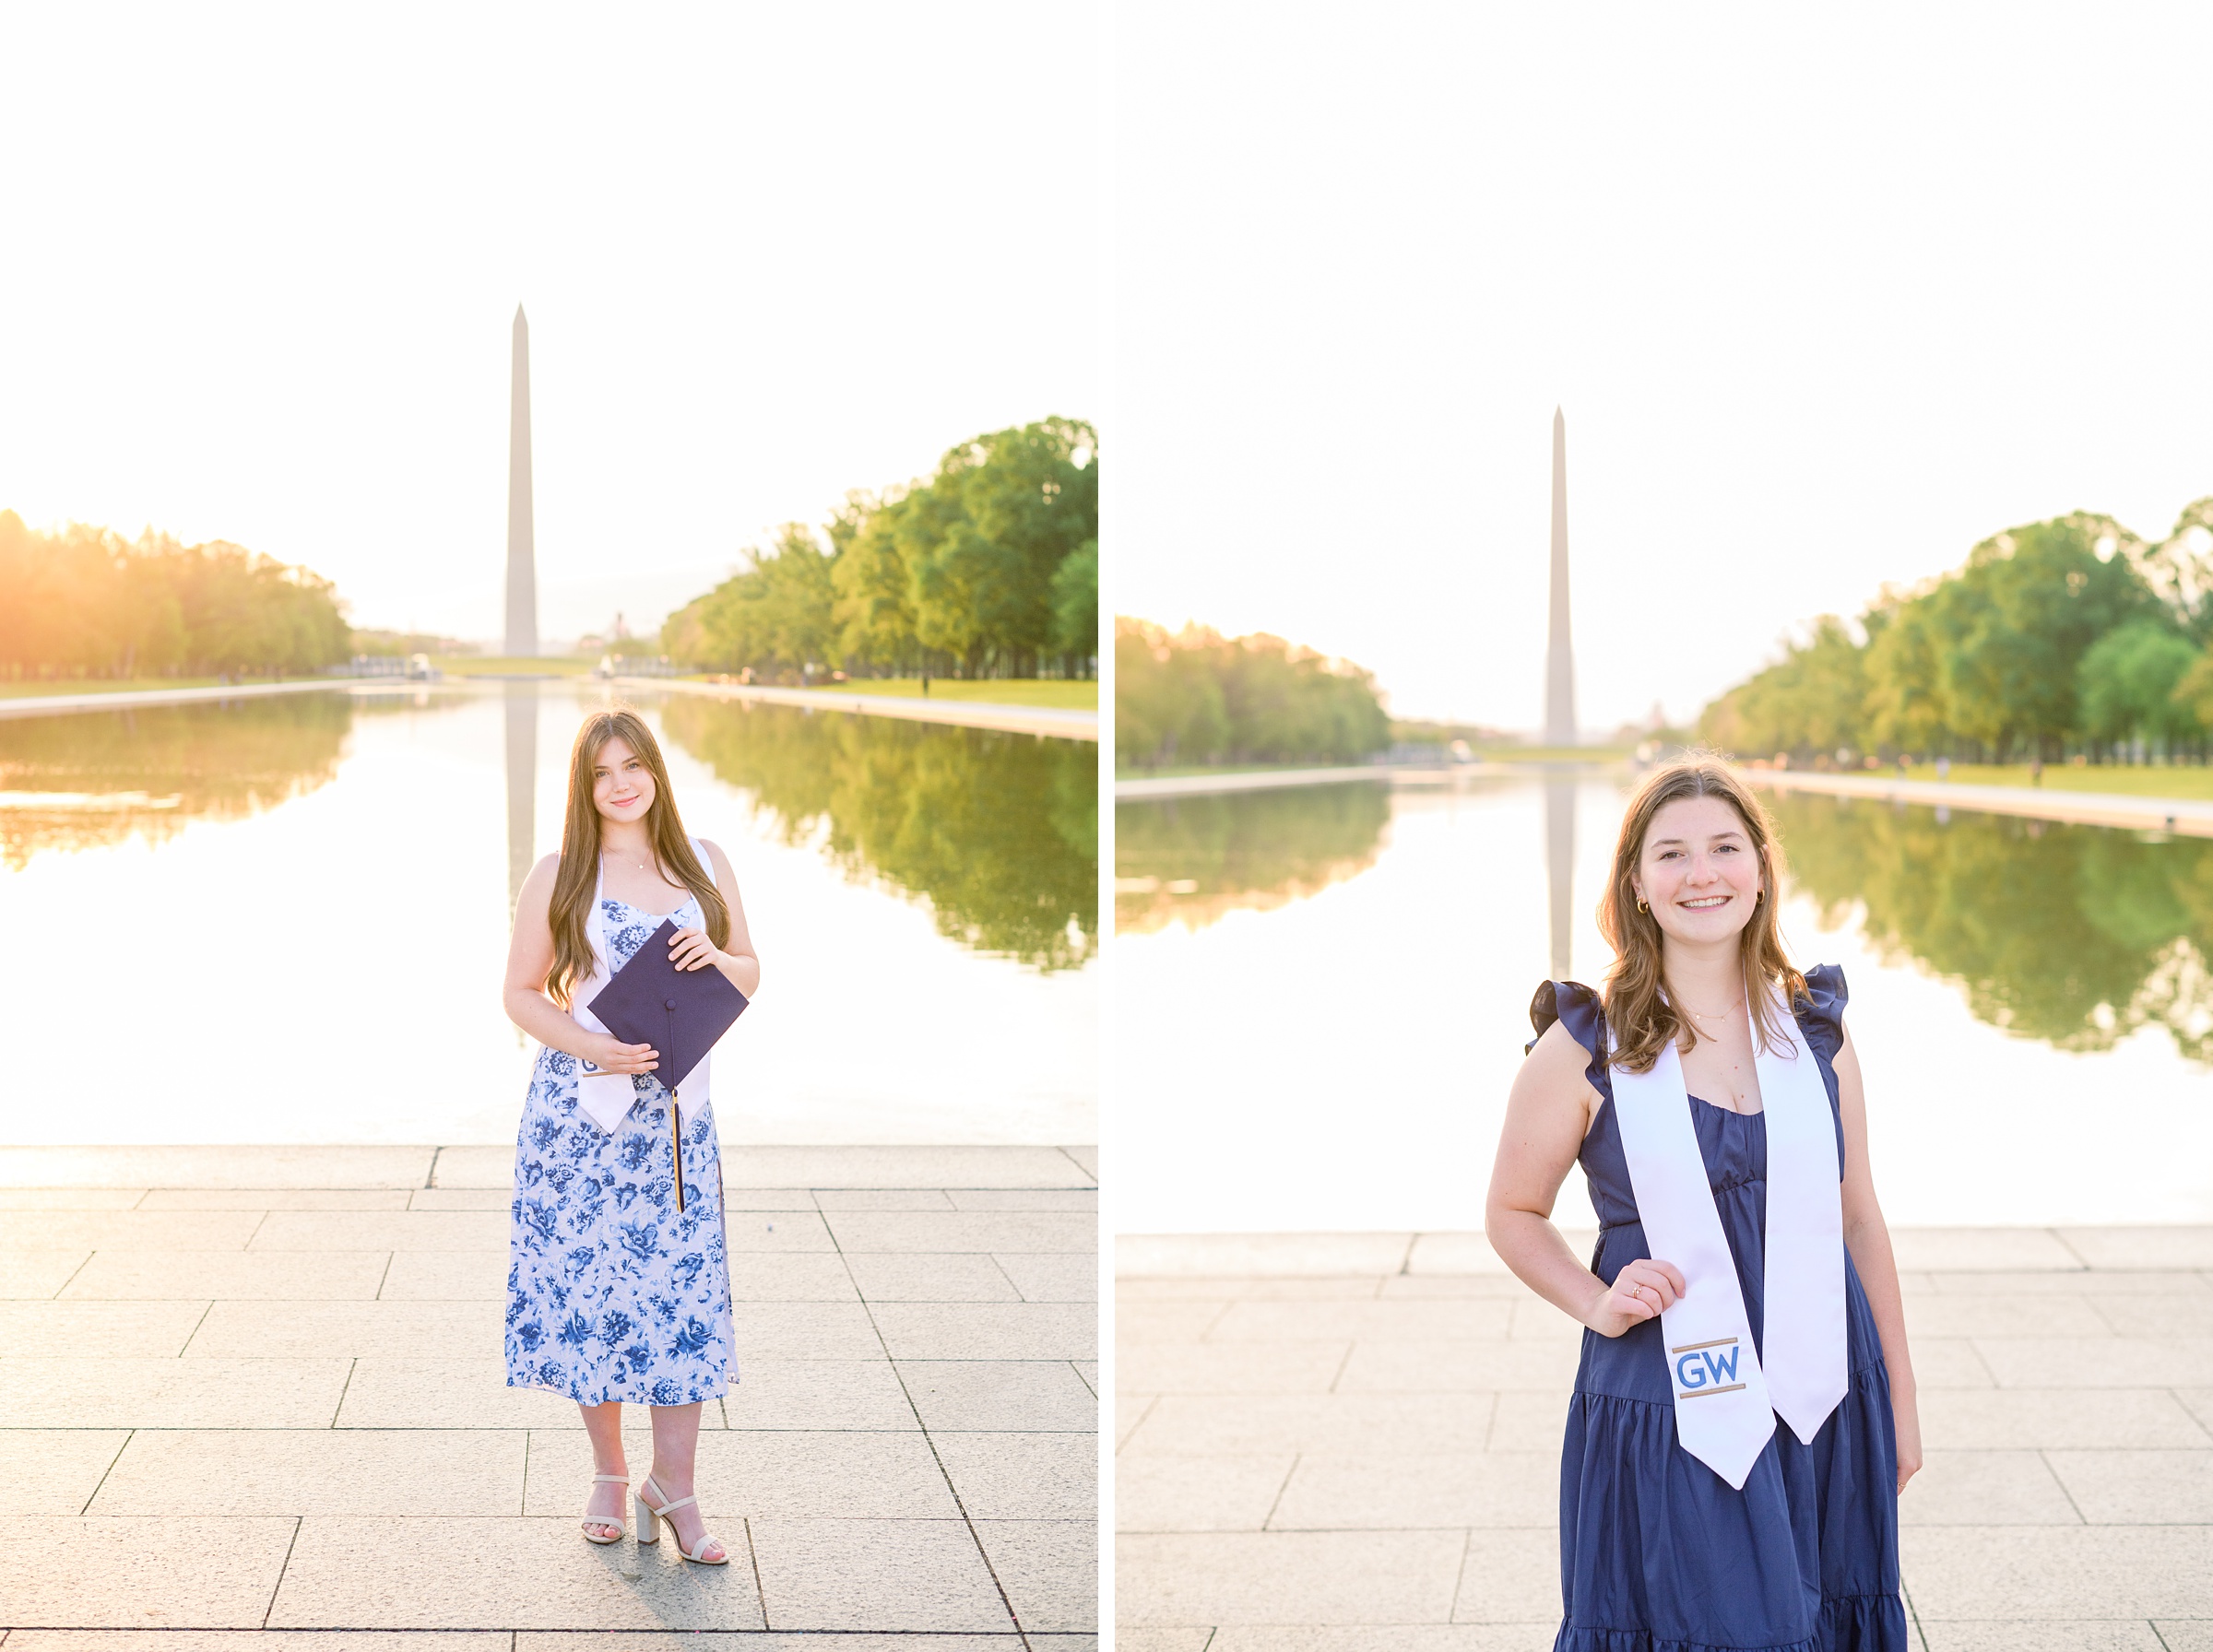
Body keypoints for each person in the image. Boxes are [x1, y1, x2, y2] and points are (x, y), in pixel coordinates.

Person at [1486, 756, 1919, 1650]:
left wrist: (1901, 1407)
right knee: (1707, 1620)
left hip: (1825, 1387)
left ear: (1760, 868)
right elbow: (1513, 1211)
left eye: (1725, 847)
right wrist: (1595, 1301)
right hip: (1673, 1389)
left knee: (1823, 1612)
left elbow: (1859, 1218)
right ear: (1637, 885)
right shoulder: (1585, 1045)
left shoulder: (1816, 1035)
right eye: (1672, 854)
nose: (1701, 874)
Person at [502, 707, 762, 1562]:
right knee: (594, 1300)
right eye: (603, 773)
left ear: (655, 771)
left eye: (634, 766)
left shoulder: (703, 864)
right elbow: (522, 992)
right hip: (584, 1123)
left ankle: (676, 1489)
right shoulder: (561, 872)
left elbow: (750, 968)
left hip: (678, 1125)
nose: (622, 785)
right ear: (585, 787)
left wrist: (716, 960)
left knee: (681, 1299)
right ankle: (611, 1476)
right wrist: (595, 1047)